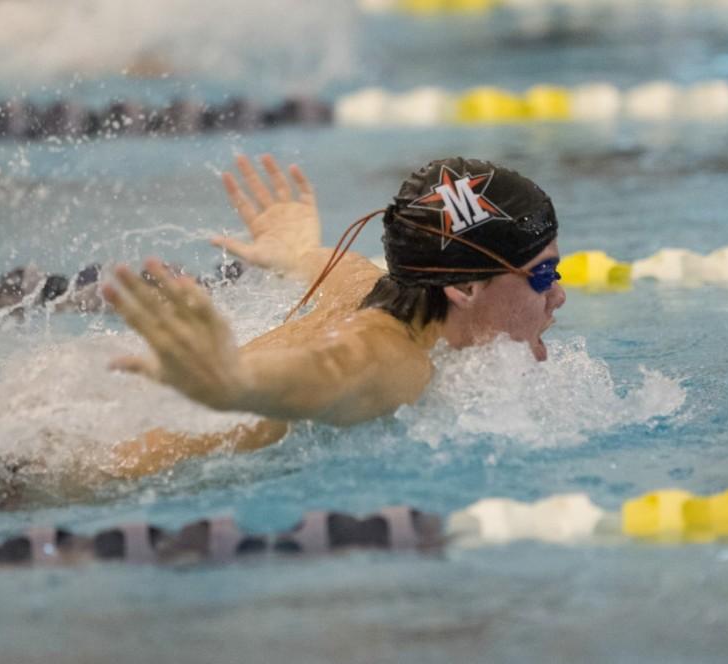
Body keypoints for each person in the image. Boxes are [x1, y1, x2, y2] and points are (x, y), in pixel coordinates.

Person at [103, 154, 565, 479]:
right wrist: (234, 382)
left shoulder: (368, 287)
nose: (558, 295)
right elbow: (328, 369)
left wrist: (297, 248)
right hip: (93, 477)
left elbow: (319, 260)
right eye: (543, 274)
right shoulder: (395, 361)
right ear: (465, 288)